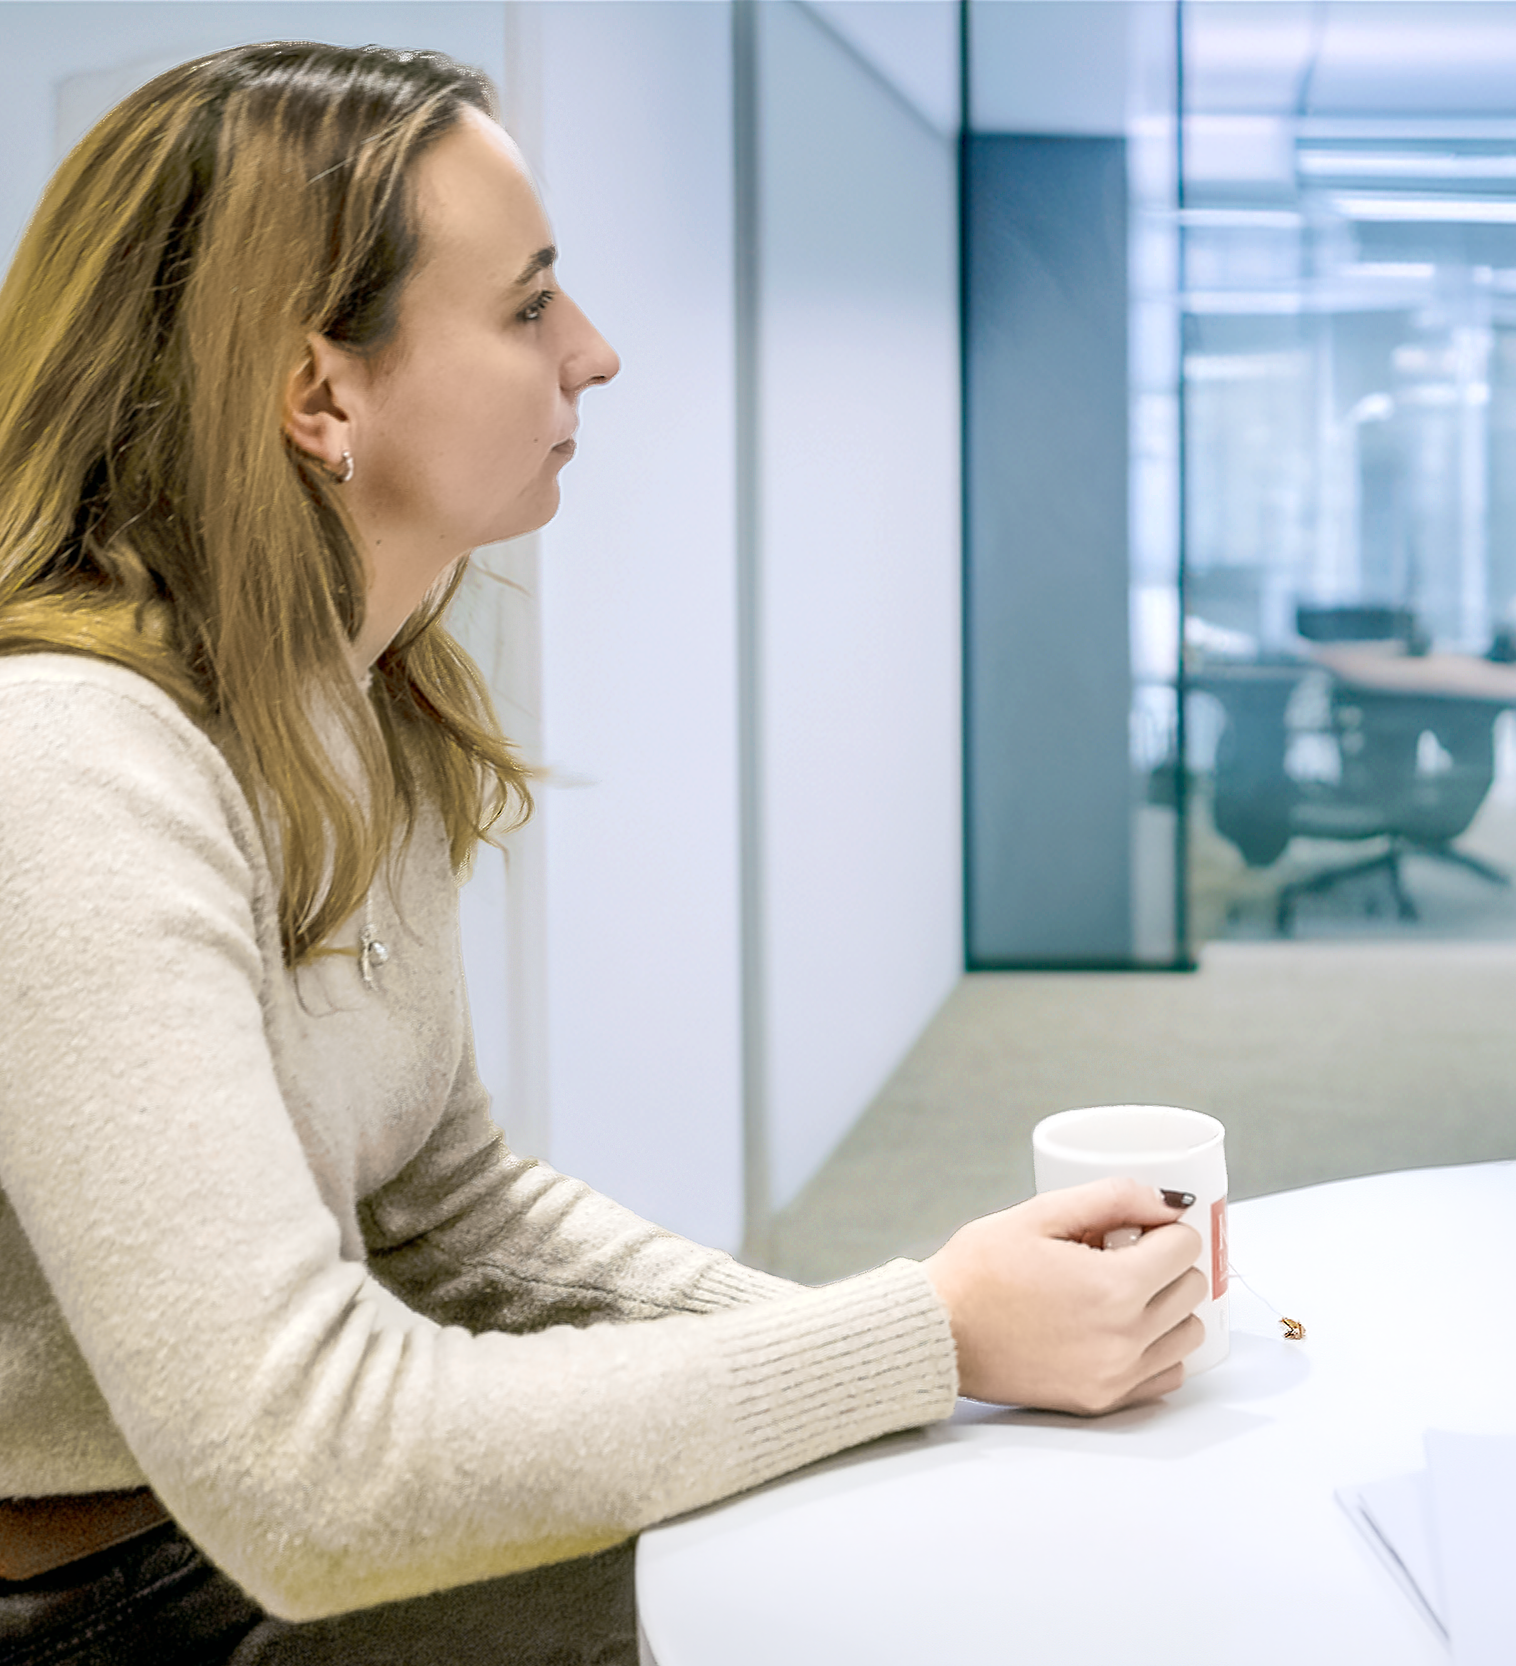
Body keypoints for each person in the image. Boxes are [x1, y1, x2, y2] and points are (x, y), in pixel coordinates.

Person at [0, 41, 1206, 1662]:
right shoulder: (66, 763)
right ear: (318, 392)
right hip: (93, 1607)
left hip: (217, 1553)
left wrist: (936, 1348)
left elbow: (450, 1211)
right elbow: (316, 1474)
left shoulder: (358, 707)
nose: (599, 354)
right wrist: (925, 1336)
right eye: (526, 306)